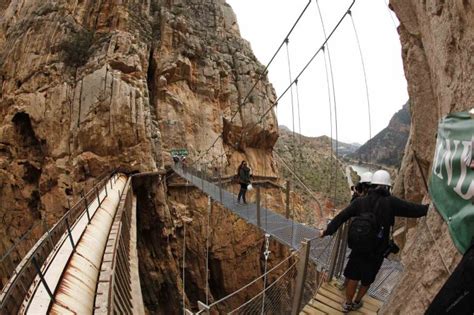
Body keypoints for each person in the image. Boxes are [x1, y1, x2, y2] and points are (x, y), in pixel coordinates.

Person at [321, 170, 429, 312]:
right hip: (377, 251)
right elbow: (415, 210)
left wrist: (326, 231)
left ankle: (347, 303)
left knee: (353, 276)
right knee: (367, 279)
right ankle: (357, 302)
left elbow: (341, 217)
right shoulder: (392, 202)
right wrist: (430, 207)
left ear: (372, 185)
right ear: (387, 187)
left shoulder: (360, 201)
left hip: (359, 247)